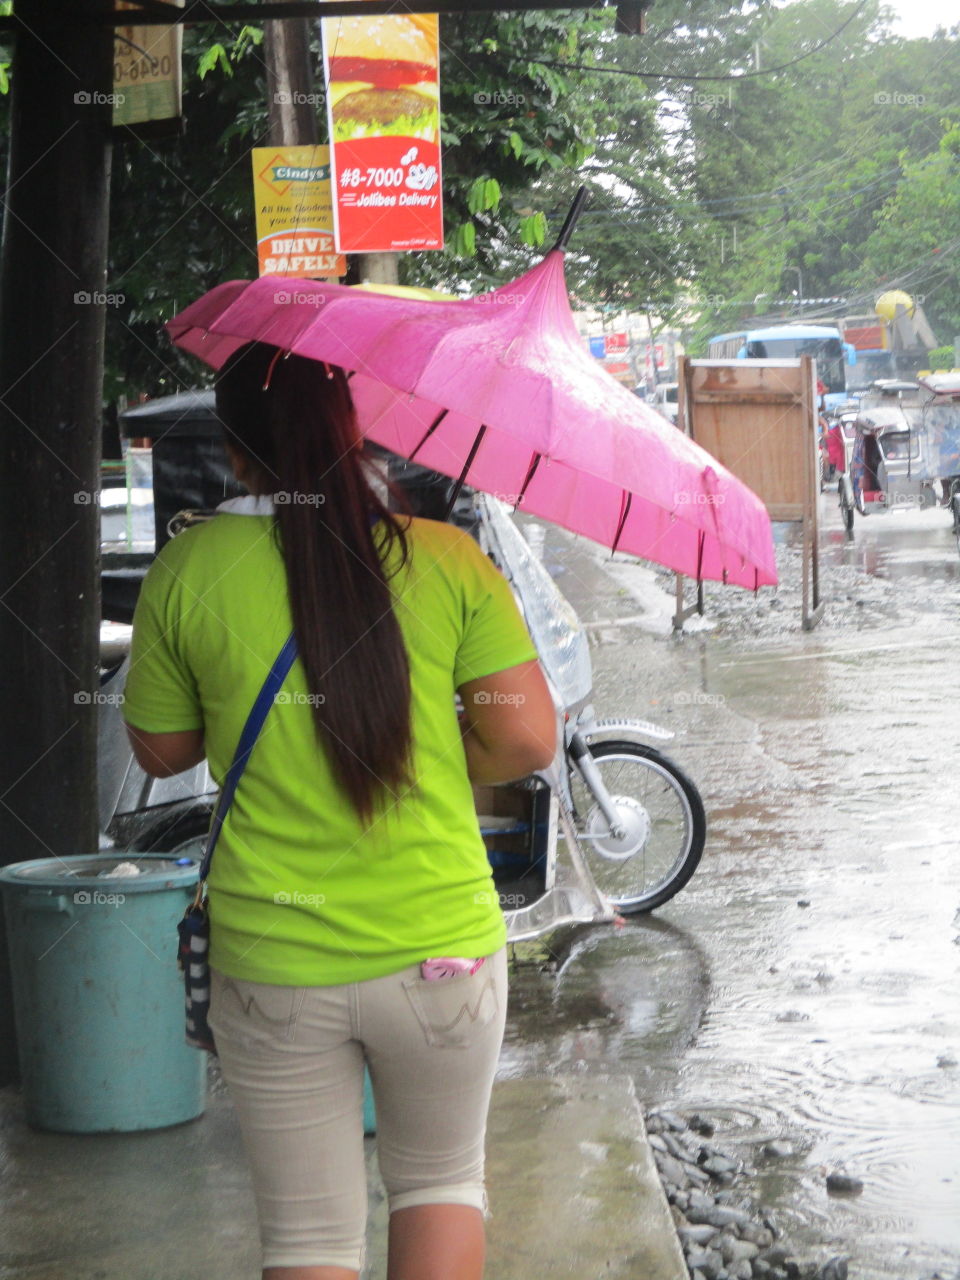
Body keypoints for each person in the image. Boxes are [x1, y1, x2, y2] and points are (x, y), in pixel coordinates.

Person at [122, 341, 557, 1280]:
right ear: (351, 428)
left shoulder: (187, 571)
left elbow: (162, 753)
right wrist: (449, 757)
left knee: (309, 1240)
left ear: (233, 449)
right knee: (442, 1183)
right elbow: (524, 741)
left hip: (275, 965)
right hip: (440, 949)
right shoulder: (443, 558)